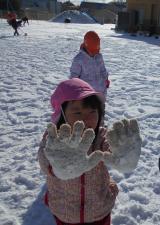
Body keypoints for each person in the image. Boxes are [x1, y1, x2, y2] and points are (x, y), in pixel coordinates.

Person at [38, 78, 142, 225]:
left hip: (99, 210)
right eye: (78, 112)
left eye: (92, 111)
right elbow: (44, 160)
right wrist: (60, 167)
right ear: (61, 115)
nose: (87, 118)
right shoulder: (54, 140)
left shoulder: (100, 135)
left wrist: (124, 157)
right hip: (65, 212)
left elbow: (110, 147)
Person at [70, 31, 110, 98]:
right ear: (86, 46)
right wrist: (75, 89)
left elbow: (103, 70)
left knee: (99, 107)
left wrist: (106, 79)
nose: (94, 53)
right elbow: (74, 76)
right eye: (92, 51)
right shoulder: (79, 59)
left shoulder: (99, 57)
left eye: (96, 51)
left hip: (101, 91)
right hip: (87, 94)